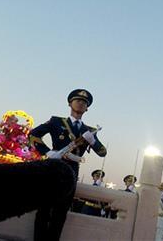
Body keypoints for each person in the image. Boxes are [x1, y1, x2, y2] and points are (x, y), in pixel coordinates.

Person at [28, 88, 107, 241]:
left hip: (71, 171)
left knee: (61, 212)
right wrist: (47, 152)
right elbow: (33, 134)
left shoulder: (89, 130)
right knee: (44, 209)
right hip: (53, 167)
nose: (80, 104)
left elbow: (103, 152)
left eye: (84, 102)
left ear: (87, 108)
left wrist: (92, 140)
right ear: (70, 103)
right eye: (77, 100)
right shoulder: (56, 121)